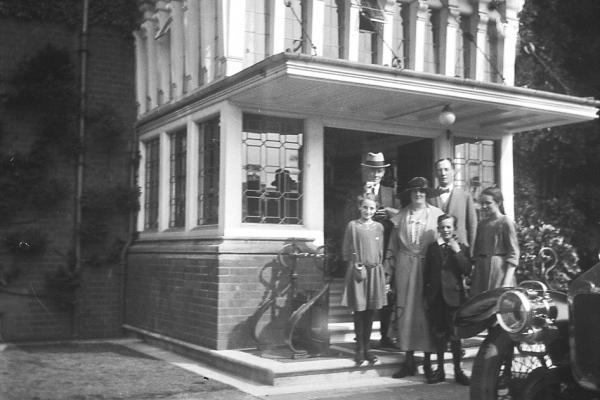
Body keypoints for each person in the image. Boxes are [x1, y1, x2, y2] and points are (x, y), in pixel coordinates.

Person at [386, 177, 444, 378]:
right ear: (409, 195)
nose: (418, 195)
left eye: (422, 192)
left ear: (426, 194)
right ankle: (408, 360)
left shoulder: (437, 215)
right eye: (414, 192)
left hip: (427, 269)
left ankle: (428, 362)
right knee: (406, 314)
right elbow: (392, 247)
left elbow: (443, 244)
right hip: (404, 267)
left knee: (426, 313)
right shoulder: (401, 216)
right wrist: (388, 274)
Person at [423, 214, 471, 385]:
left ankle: (458, 371)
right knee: (439, 334)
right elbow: (426, 274)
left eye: (449, 227)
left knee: (455, 335)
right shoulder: (432, 248)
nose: (445, 230)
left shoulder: (462, 248)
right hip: (436, 298)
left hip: (454, 298)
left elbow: (466, 270)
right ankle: (441, 370)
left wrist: (457, 251)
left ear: (454, 229)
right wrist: (426, 296)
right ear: (438, 228)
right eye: (442, 227)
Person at [341, 194, 388, 365]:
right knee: (359, 311)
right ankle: (359, 349)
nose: (368, 211)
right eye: (365, 207)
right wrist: (355, 266)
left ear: (375, 210)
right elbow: (346, 250)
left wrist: (378, 269)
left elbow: (380, 251)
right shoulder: (353, 226)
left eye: (371, 208)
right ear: (360, 208)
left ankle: (368, 349)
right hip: (358, 272)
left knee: (370, 312)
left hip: (374, 272)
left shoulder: (379, 228)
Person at [358, 152, 399, 348]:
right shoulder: (355, 192)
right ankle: (362, 337)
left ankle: (385, 336)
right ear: (366, 170)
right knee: (362, 294)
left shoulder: (390, 193)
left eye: (380, 170)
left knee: (386, 294)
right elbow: (347, 219)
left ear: (384, 172)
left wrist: (390, 213)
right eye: (372, 170)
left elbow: (401, 219)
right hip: (364, 253)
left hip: (384, 252)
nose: (376, 174)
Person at [470, 186, 520, 296]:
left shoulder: (505, 222)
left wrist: (506, 281)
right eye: (482, 203)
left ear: (498, 203)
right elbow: (477, 252)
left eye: (488, 203)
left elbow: (513, 254)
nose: (484, 206)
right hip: (481, 271)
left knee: (497, 305)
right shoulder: (482, 224)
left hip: (499, 271)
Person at [429, 158, 478, 254]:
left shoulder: (465, 196)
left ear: (453, 171)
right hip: (436, 252)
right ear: (435, 173)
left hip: (460, 249)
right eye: (440, 170)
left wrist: (471, 252)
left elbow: (472, 226)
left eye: (446, 169)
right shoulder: (429, 197)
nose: (443, 173)